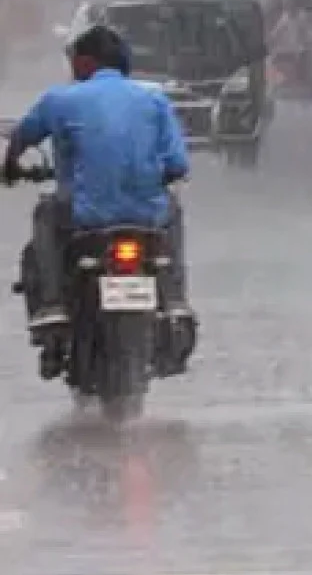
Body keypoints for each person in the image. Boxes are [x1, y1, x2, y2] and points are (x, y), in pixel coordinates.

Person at [2, 25, 192, 340]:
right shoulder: (155, 100)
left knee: (46, 214)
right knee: (173, 211)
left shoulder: (60, 100)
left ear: (87, 62)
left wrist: (10, 167)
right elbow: (177, 164)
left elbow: (23, 136)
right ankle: (174, 296)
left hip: (86, 217)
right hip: (146, 216)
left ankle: (52, 304)